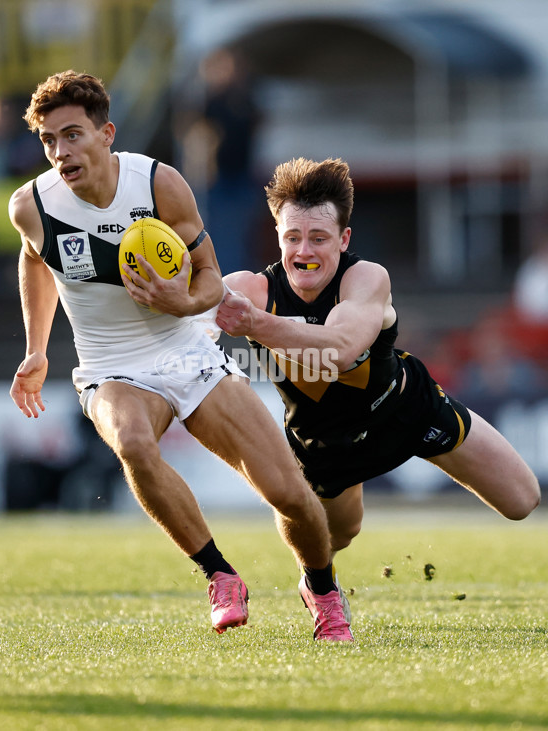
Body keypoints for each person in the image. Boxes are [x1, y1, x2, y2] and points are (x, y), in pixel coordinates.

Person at [8, 72, 352, 641]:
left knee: (289, 492)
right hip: (109, 367)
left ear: (106, 133)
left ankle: (322, 589)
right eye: (49, 140)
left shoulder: (156, 184)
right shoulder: (33, 205)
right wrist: (35, 350)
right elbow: (33, 260)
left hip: (187, 351)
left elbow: (212, 280)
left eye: (72, 135)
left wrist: (181, 299)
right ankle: (220, 574)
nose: (60, 151)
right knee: (134, 444)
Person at [216, 157, 542, 627]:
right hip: (326, 444)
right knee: (334, 539)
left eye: (319, 238)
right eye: (292, 237)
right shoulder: (248, 288)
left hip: (407, 413)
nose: (303, 250)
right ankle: (318, 587)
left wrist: (255, 324)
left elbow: (343, 345)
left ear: (344, 240)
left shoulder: (366, 278)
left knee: (522, 500)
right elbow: (194, 320)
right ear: (277, 236)